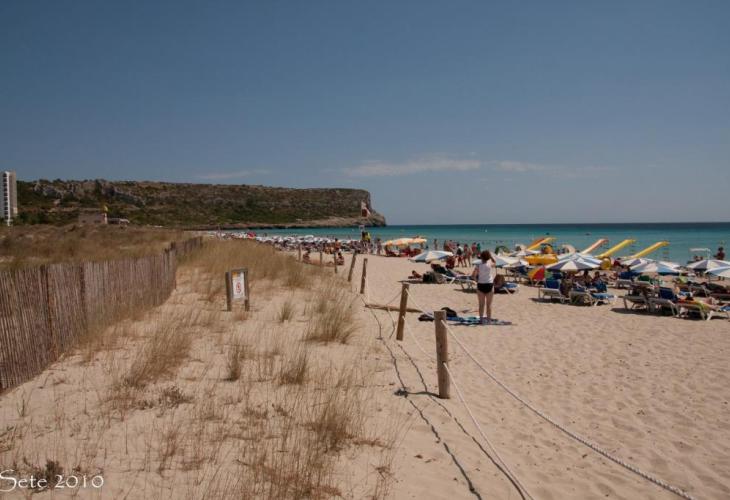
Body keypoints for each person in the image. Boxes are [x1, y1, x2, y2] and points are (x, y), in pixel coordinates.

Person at [471, 250, 496, 324]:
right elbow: (495, 262)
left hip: (481, 284)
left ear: (481, 257)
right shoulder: (490, 264)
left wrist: (477, 280)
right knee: (489, 305)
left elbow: (473, 276)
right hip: (489, 284)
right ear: (488, 257)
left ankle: (481, 320)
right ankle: (488, 321)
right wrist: (491, 256)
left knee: (481, 305)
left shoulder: (478, 265)